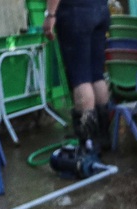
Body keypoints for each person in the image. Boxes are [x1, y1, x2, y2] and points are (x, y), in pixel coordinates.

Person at [42, 0, 109, 154]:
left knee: (81, 78)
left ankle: (88, 143)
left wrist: (50, 14)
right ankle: (103, 137)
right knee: (97, 75)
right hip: (100, 9)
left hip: (75, 13)